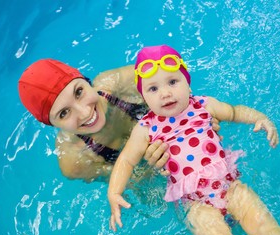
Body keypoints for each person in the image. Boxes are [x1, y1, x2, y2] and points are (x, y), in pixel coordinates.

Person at [108, 45, 280, 235]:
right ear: (143, 96)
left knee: (266, 228)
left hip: (230, 186)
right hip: (195, 203)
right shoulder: (145, 128)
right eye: (153, 89)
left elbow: (235, 112)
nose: (165, 93)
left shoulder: (204, 105)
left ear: (187, 82)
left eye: (172, 82)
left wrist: (260, 119)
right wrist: (113, 192)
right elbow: (126, 160)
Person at [18, 58, 179, 182]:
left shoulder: (120, 83)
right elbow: (136, 183)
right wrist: (152, 168)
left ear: (85, 81)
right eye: (64, 113)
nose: (85, 112)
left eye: (79, 92)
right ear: (52, 124)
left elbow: (178, 88)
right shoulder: (75, 160)